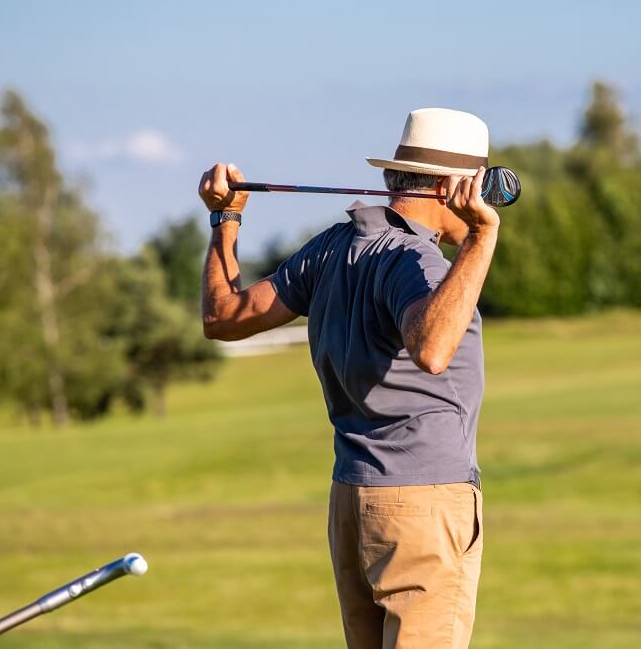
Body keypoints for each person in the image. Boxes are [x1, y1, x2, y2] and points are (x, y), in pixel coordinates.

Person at [198, 108, 498, 649]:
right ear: (456, 187)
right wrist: (481, 237)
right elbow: (431, 348)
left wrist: (225, 220)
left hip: (353, 502)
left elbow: (223, 316)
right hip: (422, 510)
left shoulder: (334, 246)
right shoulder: (421, 264)